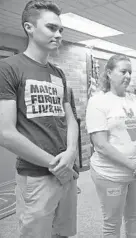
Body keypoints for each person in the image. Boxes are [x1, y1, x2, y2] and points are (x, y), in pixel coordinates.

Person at [0, 1, 79, 237]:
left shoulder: (58, 73)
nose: (58, 35)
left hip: (67, 171)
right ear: (29, 27)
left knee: (63, 233)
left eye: (61, 30)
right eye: (52, 28)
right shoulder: (8, 68)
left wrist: (71, 153)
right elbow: (5, 133)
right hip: (36, 175)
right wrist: (56, 165)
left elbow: (71, 118)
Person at [86, 54, 136, 238]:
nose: (128, 76)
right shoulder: (98, 101)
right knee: (112, 222)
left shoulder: (135, 99)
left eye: (130, 72)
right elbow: (100, 145)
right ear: (109, 73)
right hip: (111, 174)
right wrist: (135, 166)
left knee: (132, 216)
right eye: (123, 71)